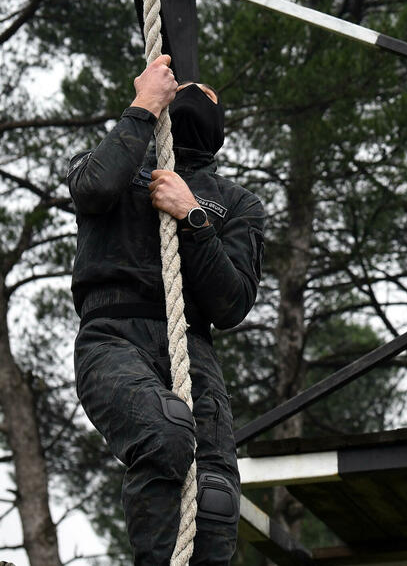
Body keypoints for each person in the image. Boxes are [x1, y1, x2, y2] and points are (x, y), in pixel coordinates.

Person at [68, 55, 266, 564]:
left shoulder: (237, 203)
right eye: (183, 89)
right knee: (164, 431)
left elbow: (233, 303)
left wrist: (193, 218)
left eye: (208, 94)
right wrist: (142, 107)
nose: (196, 91)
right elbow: (92, 189)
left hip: (192, 348)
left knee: (216, 496)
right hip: (113, 337)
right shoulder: (117, 158)